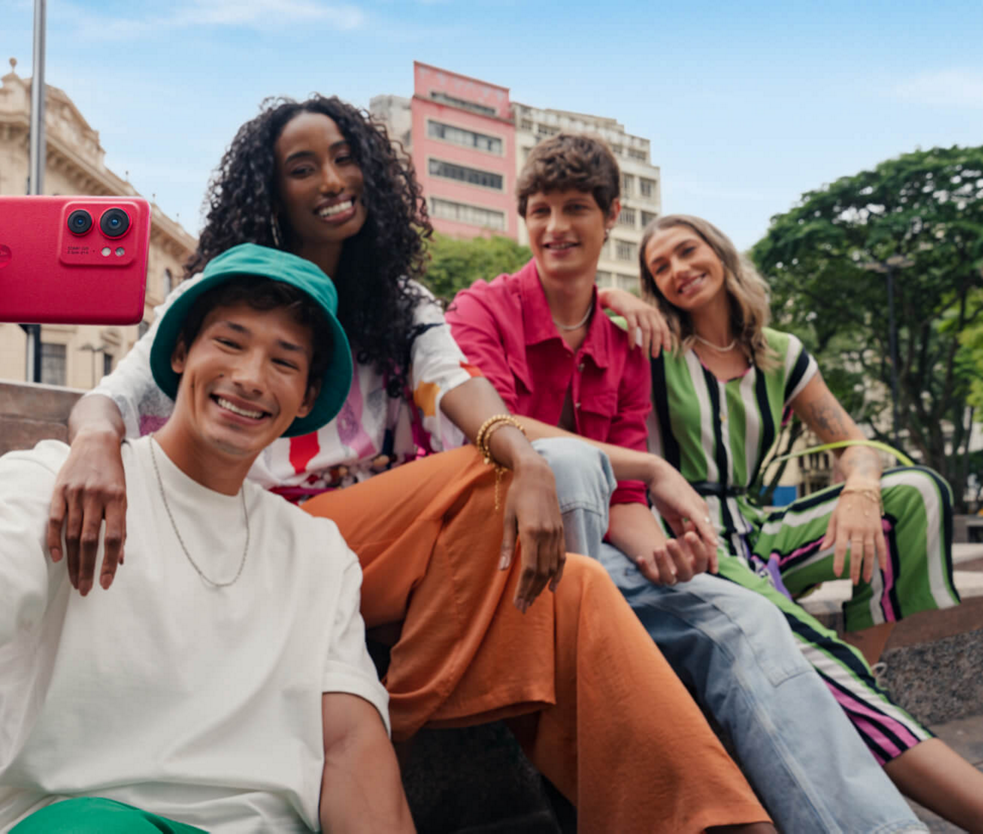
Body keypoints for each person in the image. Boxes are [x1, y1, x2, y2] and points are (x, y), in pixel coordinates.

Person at [54, 95, 772, 832]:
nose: (333, 180)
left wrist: (525, 457)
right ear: (271, 190)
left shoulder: (400, 303)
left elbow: (452, 383)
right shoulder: (224, 293)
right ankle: (397, 707)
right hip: (260, 536)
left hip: (375, 557)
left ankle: (718, 824)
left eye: (345, 159)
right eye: (303, 168)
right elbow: (112, 397)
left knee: (574, 587)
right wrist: (93, 443)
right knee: (496, 480)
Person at [0, 172, 415, 834]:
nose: (250, 377)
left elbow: (351, 746)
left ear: (307, 397)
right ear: (179, 351)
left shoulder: (319, 553)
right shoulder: (55, 483)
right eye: (229, 342)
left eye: (284, 362)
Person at [447, 132, 931, 834]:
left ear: (611, 216)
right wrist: (653, 467)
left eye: (575, 208)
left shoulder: (625, 341)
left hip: (599, 555)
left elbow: (624, 502)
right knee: (568, 467)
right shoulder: (481, 309)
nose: (555, 228)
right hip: (500, 550)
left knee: (749, 616)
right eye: (540, 211)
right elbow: (495, 427)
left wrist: (664, 554)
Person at [639, 212, 983, 831]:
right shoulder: (653, 345)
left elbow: (855, 444)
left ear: (720, 253)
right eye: (659, 267)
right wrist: (616, 299)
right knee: (797, 642)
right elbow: (583, 317)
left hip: (756, 526)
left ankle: (855, 681)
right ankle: (854, 701)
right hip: (687, 535)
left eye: (687, 251)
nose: (678, 271)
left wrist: (861, 487)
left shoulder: (780, 354)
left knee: (916, 492)